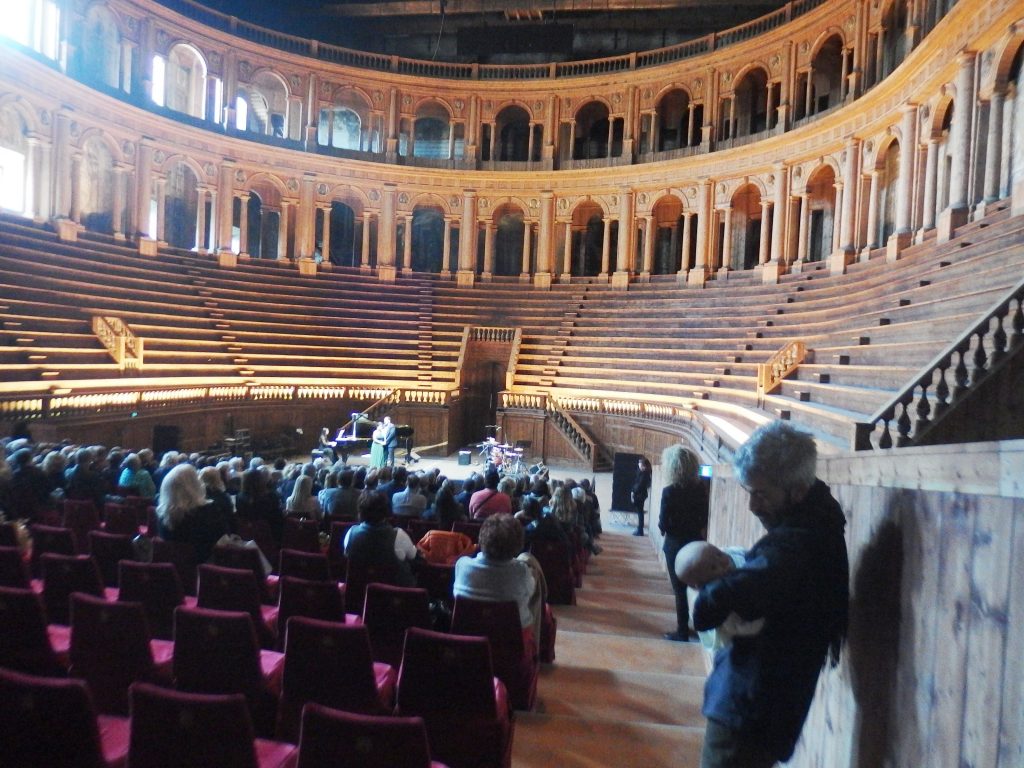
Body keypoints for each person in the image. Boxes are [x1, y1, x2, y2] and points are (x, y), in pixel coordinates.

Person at [693, 421, 849, 768]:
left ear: (796, 490)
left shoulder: (797, 543)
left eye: (761, 494)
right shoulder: (818, 521)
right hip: (765, 706)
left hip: (750, 707)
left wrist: (708, 596)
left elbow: (710, 606)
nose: (752, 506)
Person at [658, 444, 709, 642]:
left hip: (674, 544)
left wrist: (666, 528)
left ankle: (682, 631)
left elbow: (663, 522)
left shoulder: (669, 491)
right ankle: (701, 627)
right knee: (697, 586)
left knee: (679, 590)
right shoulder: (700, 490)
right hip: (695, 541)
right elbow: (703, 518)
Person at [676, 540, 763, 653]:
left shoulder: (731, 554)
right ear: (702, 584)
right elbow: (743, 628)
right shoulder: (717, 602)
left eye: (718, 554)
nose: (722, 562)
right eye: (713, 567)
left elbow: (746, 554)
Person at [453, 513, 536, 629]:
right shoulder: (522, 571)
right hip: (512, 639)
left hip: (468, 636)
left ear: (482, 537)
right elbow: (531, 593)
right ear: (518, 544)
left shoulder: (462, 564)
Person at [343, 489, 418, 587]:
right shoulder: (399, 535)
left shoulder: (351, 533)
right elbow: (412, 556)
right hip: (392, 595)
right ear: (386, 511)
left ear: (361, 511)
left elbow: (347, 556)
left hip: (359, 592)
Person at [630, 456, 652, 536]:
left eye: (640, 463)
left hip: (640, 495)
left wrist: (633, 492)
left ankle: (640, 530)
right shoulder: (642, 472)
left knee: (640, 513)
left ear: (643, 466)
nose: (638, 465)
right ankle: (639, 528)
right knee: (640, 512)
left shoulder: (644, 474)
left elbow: (639, 485)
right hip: (640, 494)